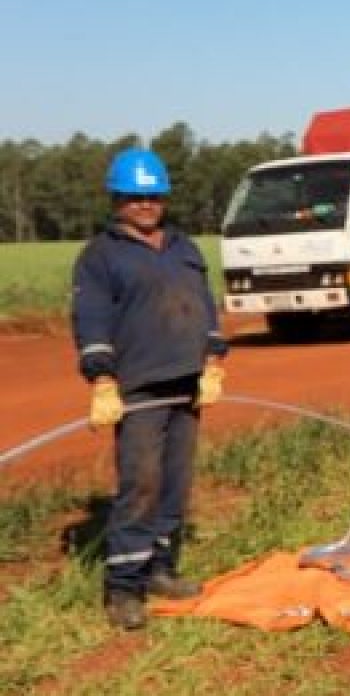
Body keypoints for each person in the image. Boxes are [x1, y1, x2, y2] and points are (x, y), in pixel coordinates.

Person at [72, 148, 227, 630]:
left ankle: (161, 569)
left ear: (164, 198)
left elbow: (205, 305)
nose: (144, 204)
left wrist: (214, 358)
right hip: (137, 390)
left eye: (152, 195)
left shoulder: (184, 247)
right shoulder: (101, 256)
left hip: (188, 385)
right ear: (116, 199)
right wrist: (101, 377)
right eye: (134, 196)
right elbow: (91, 319)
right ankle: (124, 588)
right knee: (139, 485)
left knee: (175, 486)